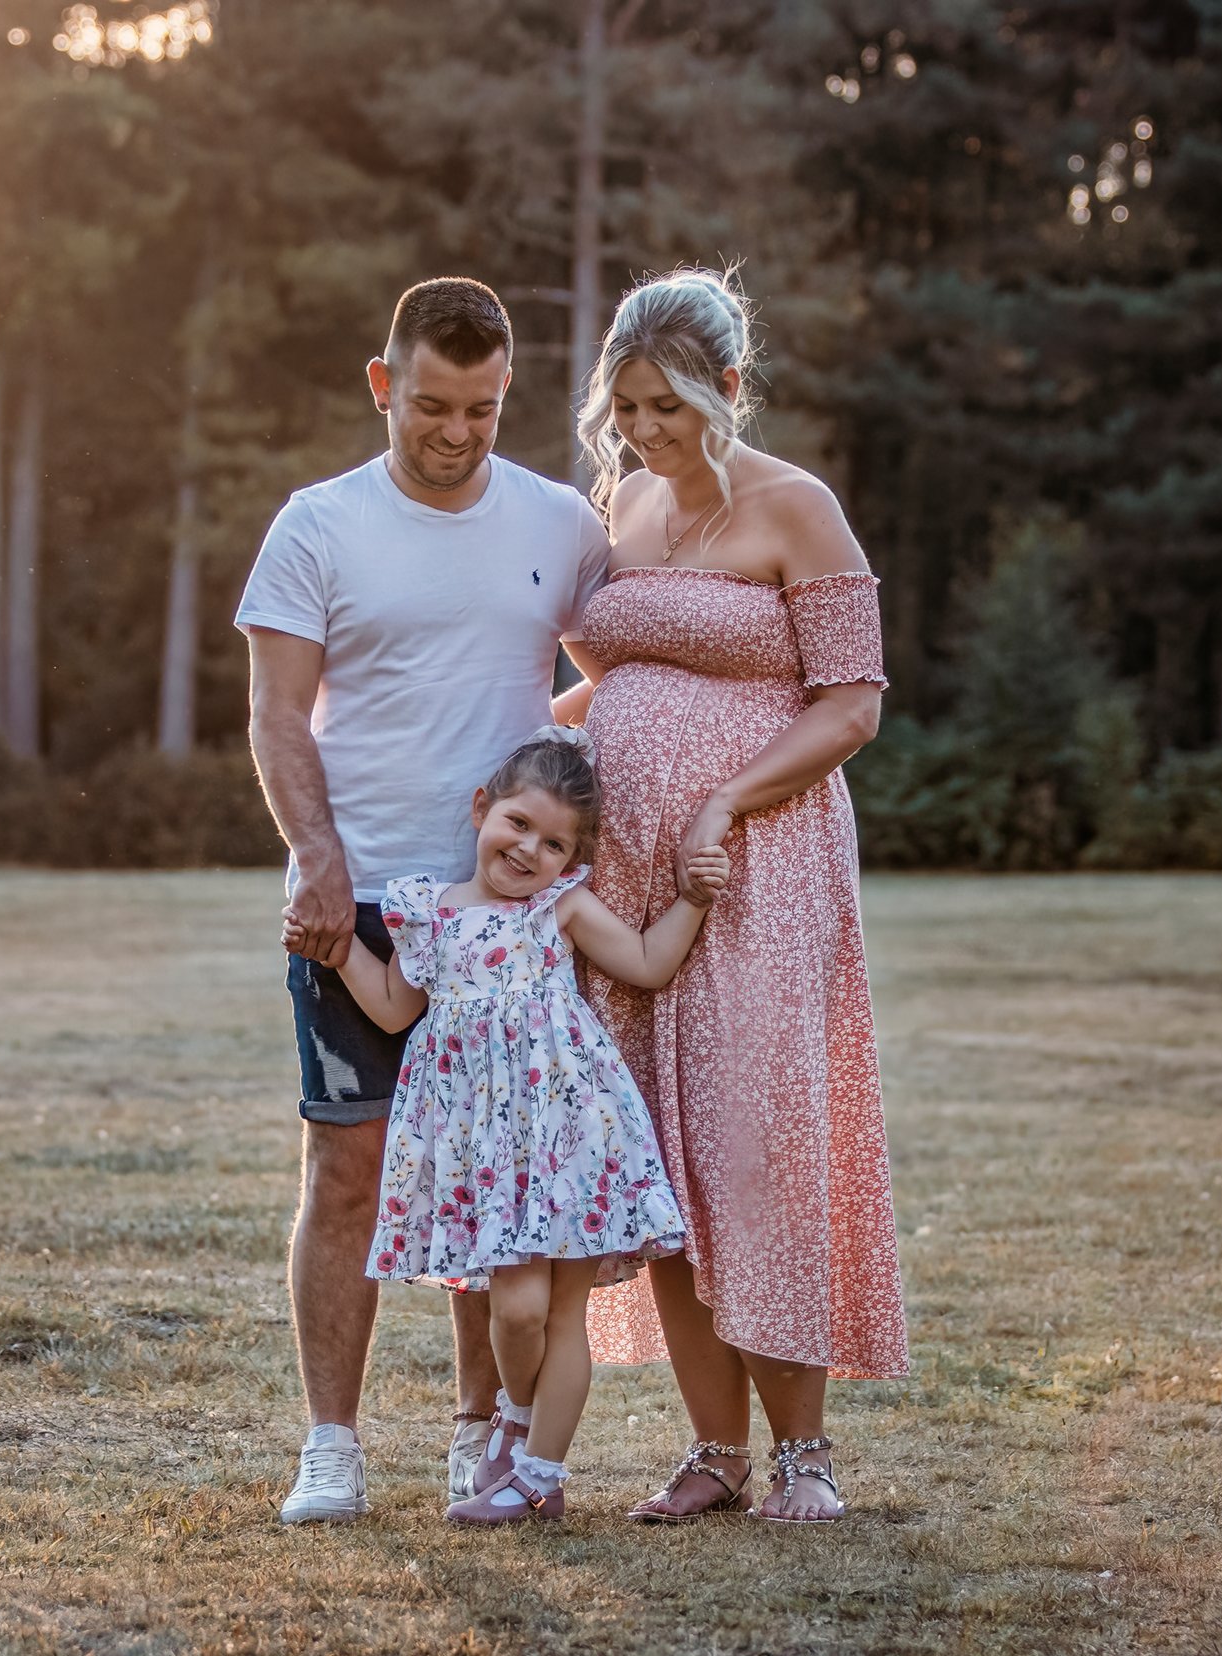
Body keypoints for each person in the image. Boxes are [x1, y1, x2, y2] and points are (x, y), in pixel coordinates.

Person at [237, 277, 614, 1525]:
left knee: (491, 1178)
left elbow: (622, 673)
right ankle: (331, 1445)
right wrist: (315, 855)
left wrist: (543, 773)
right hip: (360, 896)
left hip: (506, 910)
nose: (457, 432)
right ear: (382, 383)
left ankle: (477, 1436)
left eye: (483, 409)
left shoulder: (559, 521)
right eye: (432, 405)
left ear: (508, 393)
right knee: (347, 1167)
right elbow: (276, 715)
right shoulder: (317, 525)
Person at [558, 269, 911, 1525]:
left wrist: (722, 801)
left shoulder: (796, 507)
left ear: (729, 387)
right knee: (657, 1152)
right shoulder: (626, 503)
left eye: (667, 405)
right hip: (628, 874)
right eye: (626, 407)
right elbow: (614, 674)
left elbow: (852, 703)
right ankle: (715, 1449)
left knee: (753, 1144)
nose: (644, 431)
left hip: (762, 865)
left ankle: (804, 1451)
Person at [323, 730, 728, 1524]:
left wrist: (693, 897)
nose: (528, 850)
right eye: (518, 823)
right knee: (515, 1309)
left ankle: (538, 1476)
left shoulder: (559, 906)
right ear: (482, 808)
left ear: (571, 859)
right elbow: (396, 1008)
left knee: (561, 1313)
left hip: (570, 1133)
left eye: (554, 843)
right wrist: (339, 952)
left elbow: (648, 963)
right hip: (486, 1150)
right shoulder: (429, 913)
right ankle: (514, 1413)